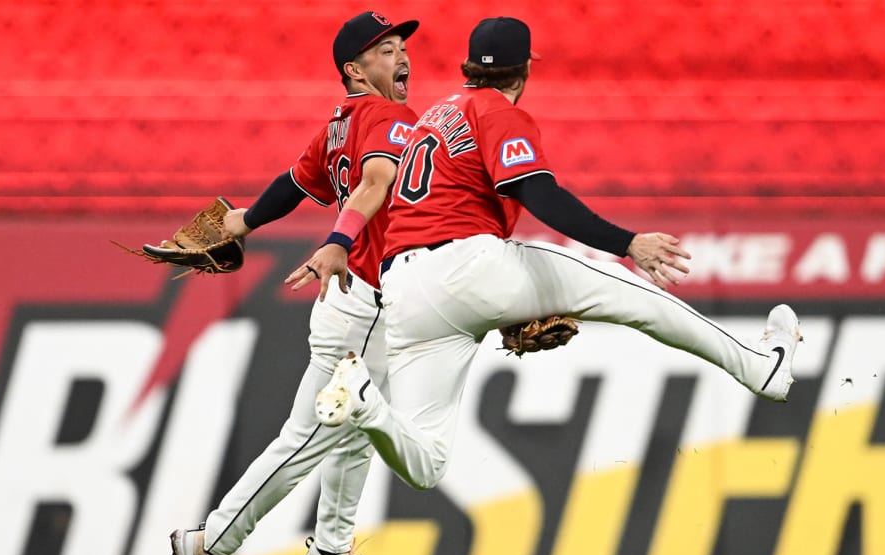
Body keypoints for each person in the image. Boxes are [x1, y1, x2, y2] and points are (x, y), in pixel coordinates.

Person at [312, 16, 802, 492]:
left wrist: (498, 300)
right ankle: (762, 369)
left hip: (403, 288)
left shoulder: (438, 113)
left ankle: (366, 405)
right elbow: (539, 195)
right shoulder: (497, 111)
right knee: (628, 291)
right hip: (466, 263)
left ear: (469, 66)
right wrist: (629, 244)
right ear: (525, 69)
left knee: (426, 463)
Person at [169, 11, 420, 555]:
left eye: (399, 48)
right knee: (308, 438)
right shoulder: (385, 117)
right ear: (354, 71)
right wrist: (338, 240)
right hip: (364, 300)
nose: (401, 58)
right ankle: (211, 543)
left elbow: (294, 181)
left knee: (363, 428)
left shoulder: (341, 123)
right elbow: (374, 185)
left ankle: (332, 547)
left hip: (365, 300)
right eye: (384, 52)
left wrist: (239, 223)